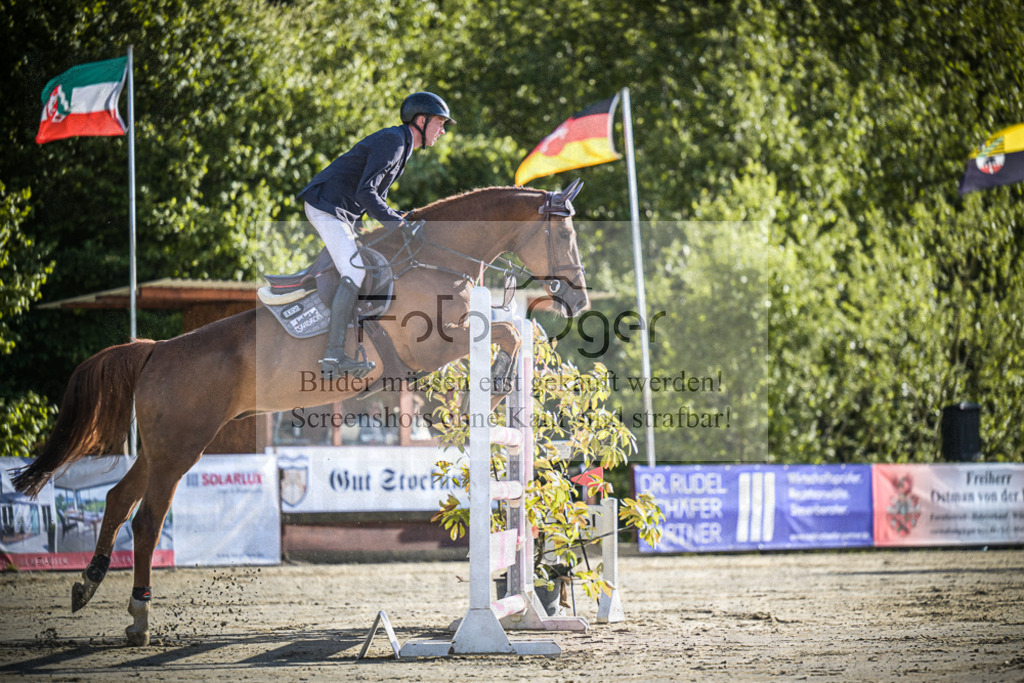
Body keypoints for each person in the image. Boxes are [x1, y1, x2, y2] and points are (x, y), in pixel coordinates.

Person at [299, 91, 455, 380]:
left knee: (369, 266)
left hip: (342, 212)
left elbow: (375, 199)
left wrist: (400, 220)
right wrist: (398, 225)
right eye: (440, 123)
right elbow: (366, 193)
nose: (442, 130)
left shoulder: (401, 145)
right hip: (327, 207)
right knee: (355, 273)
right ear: (421, 120)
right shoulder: (394, 142)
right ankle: (333, 356)